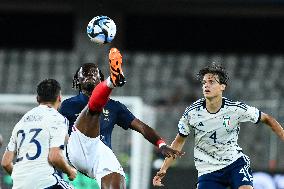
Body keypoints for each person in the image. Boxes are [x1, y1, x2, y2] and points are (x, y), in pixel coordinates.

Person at [62, 47, 183, 189]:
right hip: (77, 149)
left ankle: (112, 81)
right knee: (93, 111)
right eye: (85, 74)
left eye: (94, 73)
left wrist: (161, 145)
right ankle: (112, 81)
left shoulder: (115, 107)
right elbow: (55, 131)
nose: (90, 76)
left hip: (101, 154)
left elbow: (141, 127)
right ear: (77, 81)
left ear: (99, 79)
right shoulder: (67, 105)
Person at [152, 63, 284, 189]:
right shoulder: (192, 112)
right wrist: (164, 168)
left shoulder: (235, 109)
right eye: (204, 83)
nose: (206, 86)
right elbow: (179, 141)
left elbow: (267, 118)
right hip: (208, 170)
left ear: (222, 86)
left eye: (211, 82)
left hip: (234, 164)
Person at [1, 79, 77, 189]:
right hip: (45, 182)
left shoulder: (21, 123)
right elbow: (55, 157)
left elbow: (6, 163)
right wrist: (70, 171)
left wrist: (24, 180)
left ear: (37, 98)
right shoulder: (57, 119)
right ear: (59, 98)